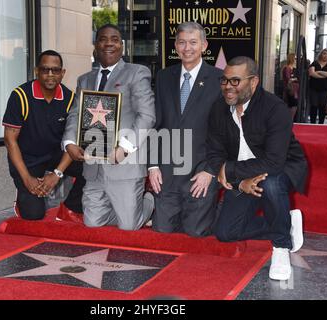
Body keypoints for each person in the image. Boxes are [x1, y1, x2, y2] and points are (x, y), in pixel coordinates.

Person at [207, 56, 308, 281]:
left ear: (253, 82)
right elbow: (213, 154)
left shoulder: (275, 108)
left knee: (271, 183)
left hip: (280, 169)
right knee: (225, 233)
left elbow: (274, 162)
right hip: (242, 177)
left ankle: (281, 246)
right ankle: (285, 222)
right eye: (224, 81)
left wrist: (230, 172)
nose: (227, 87)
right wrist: (239, 183)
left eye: (235, 81)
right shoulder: (218, 108)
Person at [63, 24, 156, 231]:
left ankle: (150, 201)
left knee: (129, 227)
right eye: (103, 39)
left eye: (114, 39)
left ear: (121, 46)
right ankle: (124, 210)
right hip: (93, 165)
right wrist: (69, 142)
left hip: (125, 164)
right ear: (95, 46)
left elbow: (147, 116)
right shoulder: (85, 79)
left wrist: (124, 147)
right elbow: (75, 114)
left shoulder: (137, 73)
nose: (108, 44)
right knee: (93, 224)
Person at [147, 22, 222, 237]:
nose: (187, 48)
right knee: (163, 230)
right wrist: (153, 166)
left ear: (204, 45)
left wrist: (210, 170)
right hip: (169, 172)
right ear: (176, 45)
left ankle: (218, 209)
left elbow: (224, 132)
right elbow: (156, 123)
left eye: (193, 42)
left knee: (195, 232)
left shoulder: (219, 79)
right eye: (181, 42)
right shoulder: (163, 76)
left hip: (201, 170)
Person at [3, 50, 85, 221]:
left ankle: (71, 207)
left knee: (93, 167)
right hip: (29, 158)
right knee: (33, 214)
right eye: (45, 69)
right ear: (36, 71)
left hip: (55, 154)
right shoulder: (20, 96)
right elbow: (10, 141)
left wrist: (57, 174)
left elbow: (73, 140)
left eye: (55, 70)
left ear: (62, 73)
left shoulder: (70, 99)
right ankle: (22, 198)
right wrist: (26, 179)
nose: (50, 75)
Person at [308, 48, 327, 124]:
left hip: (325, 89)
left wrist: (319, 72)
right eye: (324, 53)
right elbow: (311, 73)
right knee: (313, 106)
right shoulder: (314, 63)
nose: (325, 56)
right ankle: (312, 123)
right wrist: (325, 75)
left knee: (322, 106)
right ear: (321, 54)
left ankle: (321, 124)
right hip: (314, 88)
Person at [282, 53, 299, 120]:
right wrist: (295, 79)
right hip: (290, 90)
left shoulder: (294, 68)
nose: (296, 60)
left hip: (295, 90)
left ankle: (290, 119)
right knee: (292, 105)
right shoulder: (287, 68)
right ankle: (289, 119)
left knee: (293, 105)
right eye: (295, 58)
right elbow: (288, 79)